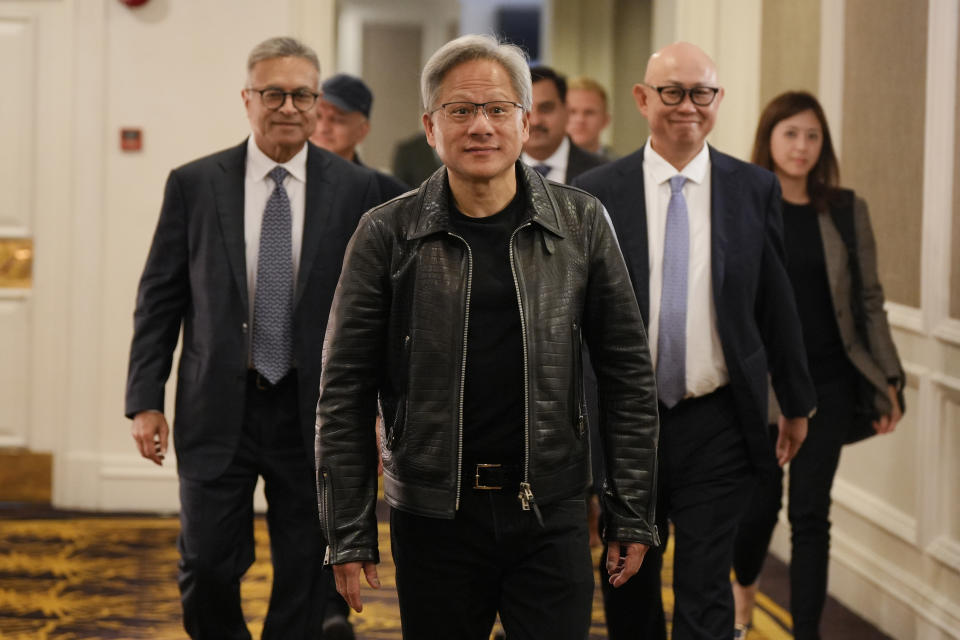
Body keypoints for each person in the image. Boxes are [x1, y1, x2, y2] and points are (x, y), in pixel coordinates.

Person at [315, 34, 660, 640]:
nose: (481, 126)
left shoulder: (581, 223)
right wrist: (348, 529)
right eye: (461, 110)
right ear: (430, 126)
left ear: (526, 123)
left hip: (550, 510)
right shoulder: (385, 235)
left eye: (499, 109)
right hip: (433, 516)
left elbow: (628, 376)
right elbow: (343, 393)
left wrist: (631, 513)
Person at [124, 36, 380, 639]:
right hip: (218, 405)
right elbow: (160, 297)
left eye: (301, 95)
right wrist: (144, 398)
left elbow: (379, 312)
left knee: (307, 568)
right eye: (273, 93)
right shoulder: (194, 183)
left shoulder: (357, 191)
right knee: (207, 564)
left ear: (317, 103)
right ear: (247, 98)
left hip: (314, 412)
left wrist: (378, 404)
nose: (287, 107)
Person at [572, 42, 817, 640]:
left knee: (706, 584)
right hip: (628, 421)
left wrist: (795, 401)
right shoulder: (598, 190)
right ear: (642, 99)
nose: (688, 106)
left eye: (700, 93)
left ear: (718, 100)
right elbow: (576, 313)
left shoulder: (752, 189)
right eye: (672, 92)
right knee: (628, 575)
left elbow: (776, 304)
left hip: (718, 420)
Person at [730, 91, 905, 640]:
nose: (801, 147)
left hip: (825, 382)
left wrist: (890, 379)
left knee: (811, 515)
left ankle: (806, 631)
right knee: (757, 512)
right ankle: (743, 596)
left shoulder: (846, 210)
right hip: (762, 383)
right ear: (770, 139)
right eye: (790, 134)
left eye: (812, 136)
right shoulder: (744, 203)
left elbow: (869, 300)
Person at [311, 72, 409, 201]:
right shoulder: (287, 180)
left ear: (362, 130)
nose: (323, 128)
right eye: (317, 116)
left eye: (337, 119)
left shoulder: (387, 194)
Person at [521, 65, 607, 184]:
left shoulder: (603, 173)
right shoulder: (496, 169)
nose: (535, 121)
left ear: (566, 111)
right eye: (525, 110)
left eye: (546, 108)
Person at [566, 75, 615, 159]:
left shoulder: (622, 169)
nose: (580, 119)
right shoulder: (540, 167)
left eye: (589, 112)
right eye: (572, 112)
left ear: (605, 120)